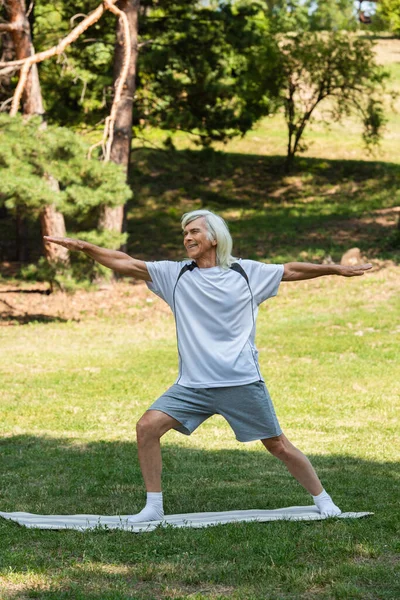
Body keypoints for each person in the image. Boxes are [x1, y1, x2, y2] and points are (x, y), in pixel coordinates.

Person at [44, 209, 372, 523]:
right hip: (193, 385)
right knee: (147, 428)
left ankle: (324, 500)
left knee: (277, 445)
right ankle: (153, 507)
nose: (187, 237)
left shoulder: (246, 273)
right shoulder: (175, 275)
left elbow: (290, 270)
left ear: (214, 238)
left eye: (194, 231)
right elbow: (123, 261)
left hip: (240, 381)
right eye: (185, 233)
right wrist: (85, 247)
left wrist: (335, 270)